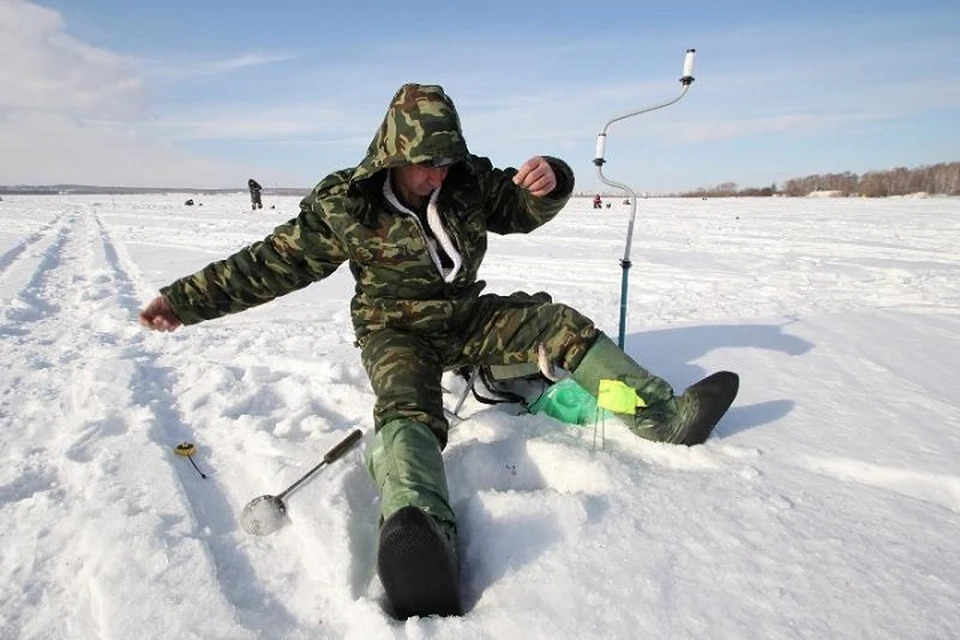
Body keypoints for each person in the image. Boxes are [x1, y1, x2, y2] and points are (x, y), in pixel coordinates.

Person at [138, 83, 738, 619]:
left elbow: (523, 208)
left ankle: (657, 415)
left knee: (559, 325)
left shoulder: (468, 183)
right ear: (392, 157)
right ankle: (421, 531)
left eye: (446, 162)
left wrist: (552, 176)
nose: (438, 176)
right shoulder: (346, 207)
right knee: (407, 406)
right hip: (395, 330)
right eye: (426, 165)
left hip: (465, 317)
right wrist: (183, 302)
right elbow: (269, 266)